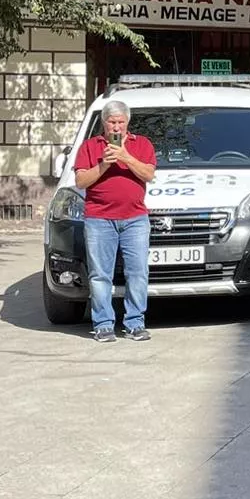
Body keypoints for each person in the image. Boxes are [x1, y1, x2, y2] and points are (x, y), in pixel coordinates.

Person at [73, 99, 157, 343]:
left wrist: (126, 157)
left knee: (138, 272)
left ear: (127, 122)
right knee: (100, 274)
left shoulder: (141, 144)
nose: (116, 127)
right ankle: (102, 324)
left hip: (135, 219)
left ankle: (135, 323)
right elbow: (81, 181)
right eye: (112, 122)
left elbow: (149, 174)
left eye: (120, 122)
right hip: (99, 219)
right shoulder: (90, 147)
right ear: (104, 123)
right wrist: (104, 163)